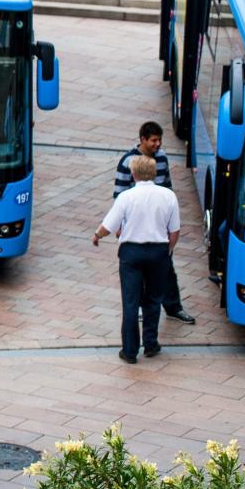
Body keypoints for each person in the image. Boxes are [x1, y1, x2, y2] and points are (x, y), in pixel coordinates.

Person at [94, 154, 181, 363]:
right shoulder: (169, 196)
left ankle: (130, 351)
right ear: (154, 173)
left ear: (133, 174)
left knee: (131, 302)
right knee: (153, 299)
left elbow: (110, 225)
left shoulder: (126, 197)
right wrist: (167, 251)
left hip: (131, 253)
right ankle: (151, 344)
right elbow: (175, 230)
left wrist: (97, 235)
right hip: (158, 253)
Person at [113, 123, 194, 324]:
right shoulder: (128, 162)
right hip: (137, 227)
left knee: (166, 267)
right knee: (139, 272)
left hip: (158, 225)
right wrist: (120, 225)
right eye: (153, 140)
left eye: (159, 140)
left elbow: (167, 187)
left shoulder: (162, 158)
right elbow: (120, 195)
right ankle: (141, 307)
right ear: (142, 139)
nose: (157, 144)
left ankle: (173, 306)